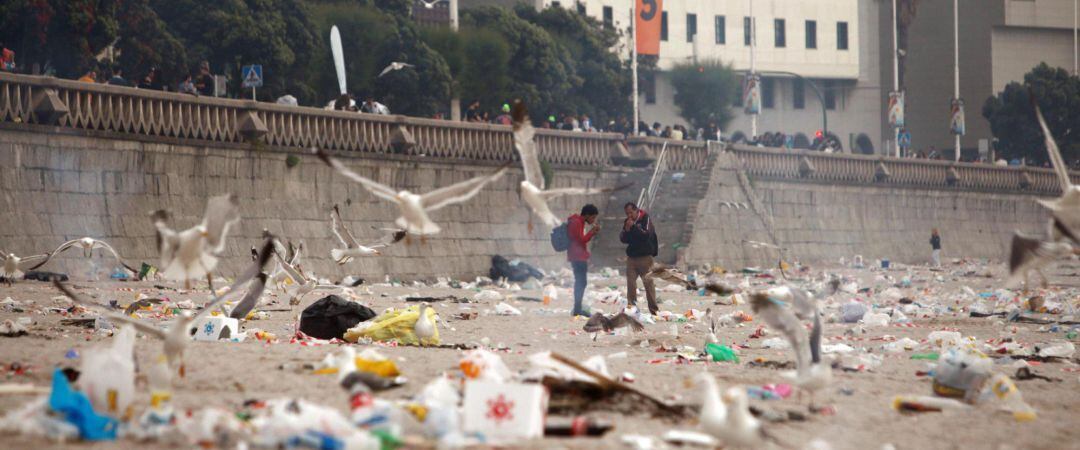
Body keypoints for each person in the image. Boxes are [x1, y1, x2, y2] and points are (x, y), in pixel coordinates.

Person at [620, 202, 659, 315]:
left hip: (645, 257)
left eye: (631, 213)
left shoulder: (645, 219)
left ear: (636, 210)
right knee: (631, 283)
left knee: (648, 284)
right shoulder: (627, 221)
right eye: (627, 214)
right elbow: (623, 239)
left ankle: (654, 310)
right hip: (632, 257)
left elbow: (645, 235)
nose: (629, 216)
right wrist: (627, 230)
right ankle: (632, 308)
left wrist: (634, 227)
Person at [568, 204, 601, 317]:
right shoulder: (577, 222)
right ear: (587, 215)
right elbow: (580, 240)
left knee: (581, 282)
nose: (593, 220)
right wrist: (592, 232)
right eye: (592, 217)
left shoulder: (578, 221)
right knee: (581, 282)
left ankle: (578, 307)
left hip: (578, 255)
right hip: (577, 257)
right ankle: (577, 309)